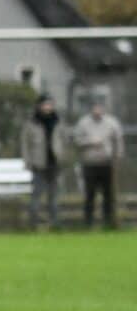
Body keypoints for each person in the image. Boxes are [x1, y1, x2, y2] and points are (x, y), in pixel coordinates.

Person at [71, 99, 122, 229]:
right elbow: (76, 141)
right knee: (90, 195)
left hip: (107, 164)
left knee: (108, 195)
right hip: (90, 164)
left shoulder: (112, 123)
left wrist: (117, 158)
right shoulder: (83, 123)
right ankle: (88, 223)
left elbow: (118, 142)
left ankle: (109, 222)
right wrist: (89, 142)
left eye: (100, 108)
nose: (97, 110)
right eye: (95, 108)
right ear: (91, 109)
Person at [22, 94, 64, 229]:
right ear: (39, 106)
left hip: (54, 163)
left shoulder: (57, 122)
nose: (48, 107)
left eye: (50, 104)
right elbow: (25, 144)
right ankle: (33, 224)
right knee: (36, 196)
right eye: (45, 104)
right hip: (38, 164)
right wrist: (28, 161)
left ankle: (54, 223)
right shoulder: (31, 123)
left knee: (54, 197)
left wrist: (62, 156)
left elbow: (64, 140)